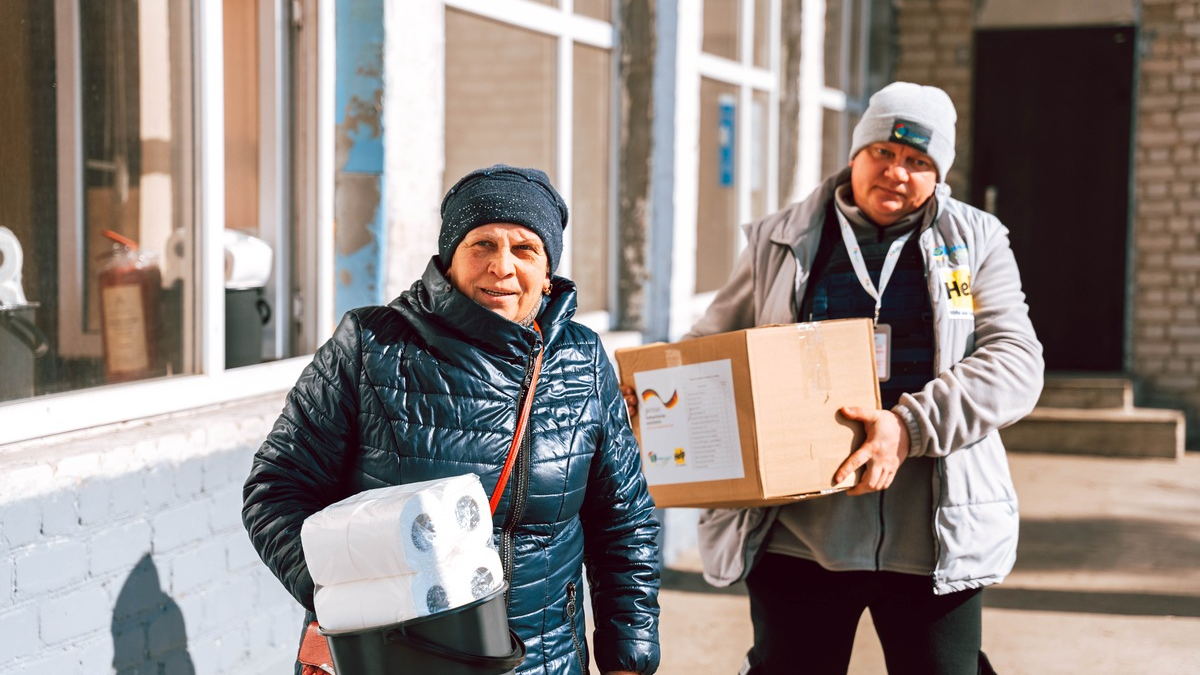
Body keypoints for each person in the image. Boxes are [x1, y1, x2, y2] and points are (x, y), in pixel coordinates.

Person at [669, 83, 1042, 674]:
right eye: (883, 153)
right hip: (802, 531)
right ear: (855, 154)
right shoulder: (781, 239)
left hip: (934, 531)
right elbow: (708, 347)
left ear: (939, 174)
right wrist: (657, 399)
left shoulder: (975, 243)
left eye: (918, 162)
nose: (896, 173)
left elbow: (1016, 362)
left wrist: (907, 427)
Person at [242, 164, 661, 675]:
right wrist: (353, 595)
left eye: (524, 249)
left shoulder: (583, 360)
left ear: (548, 270)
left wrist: (629, 655)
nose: (501, 267)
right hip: (395, 659)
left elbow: (623, 521)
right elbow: (275, 490)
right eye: (481, 244)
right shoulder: (371, 346)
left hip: (544, 661)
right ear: (448, 258)